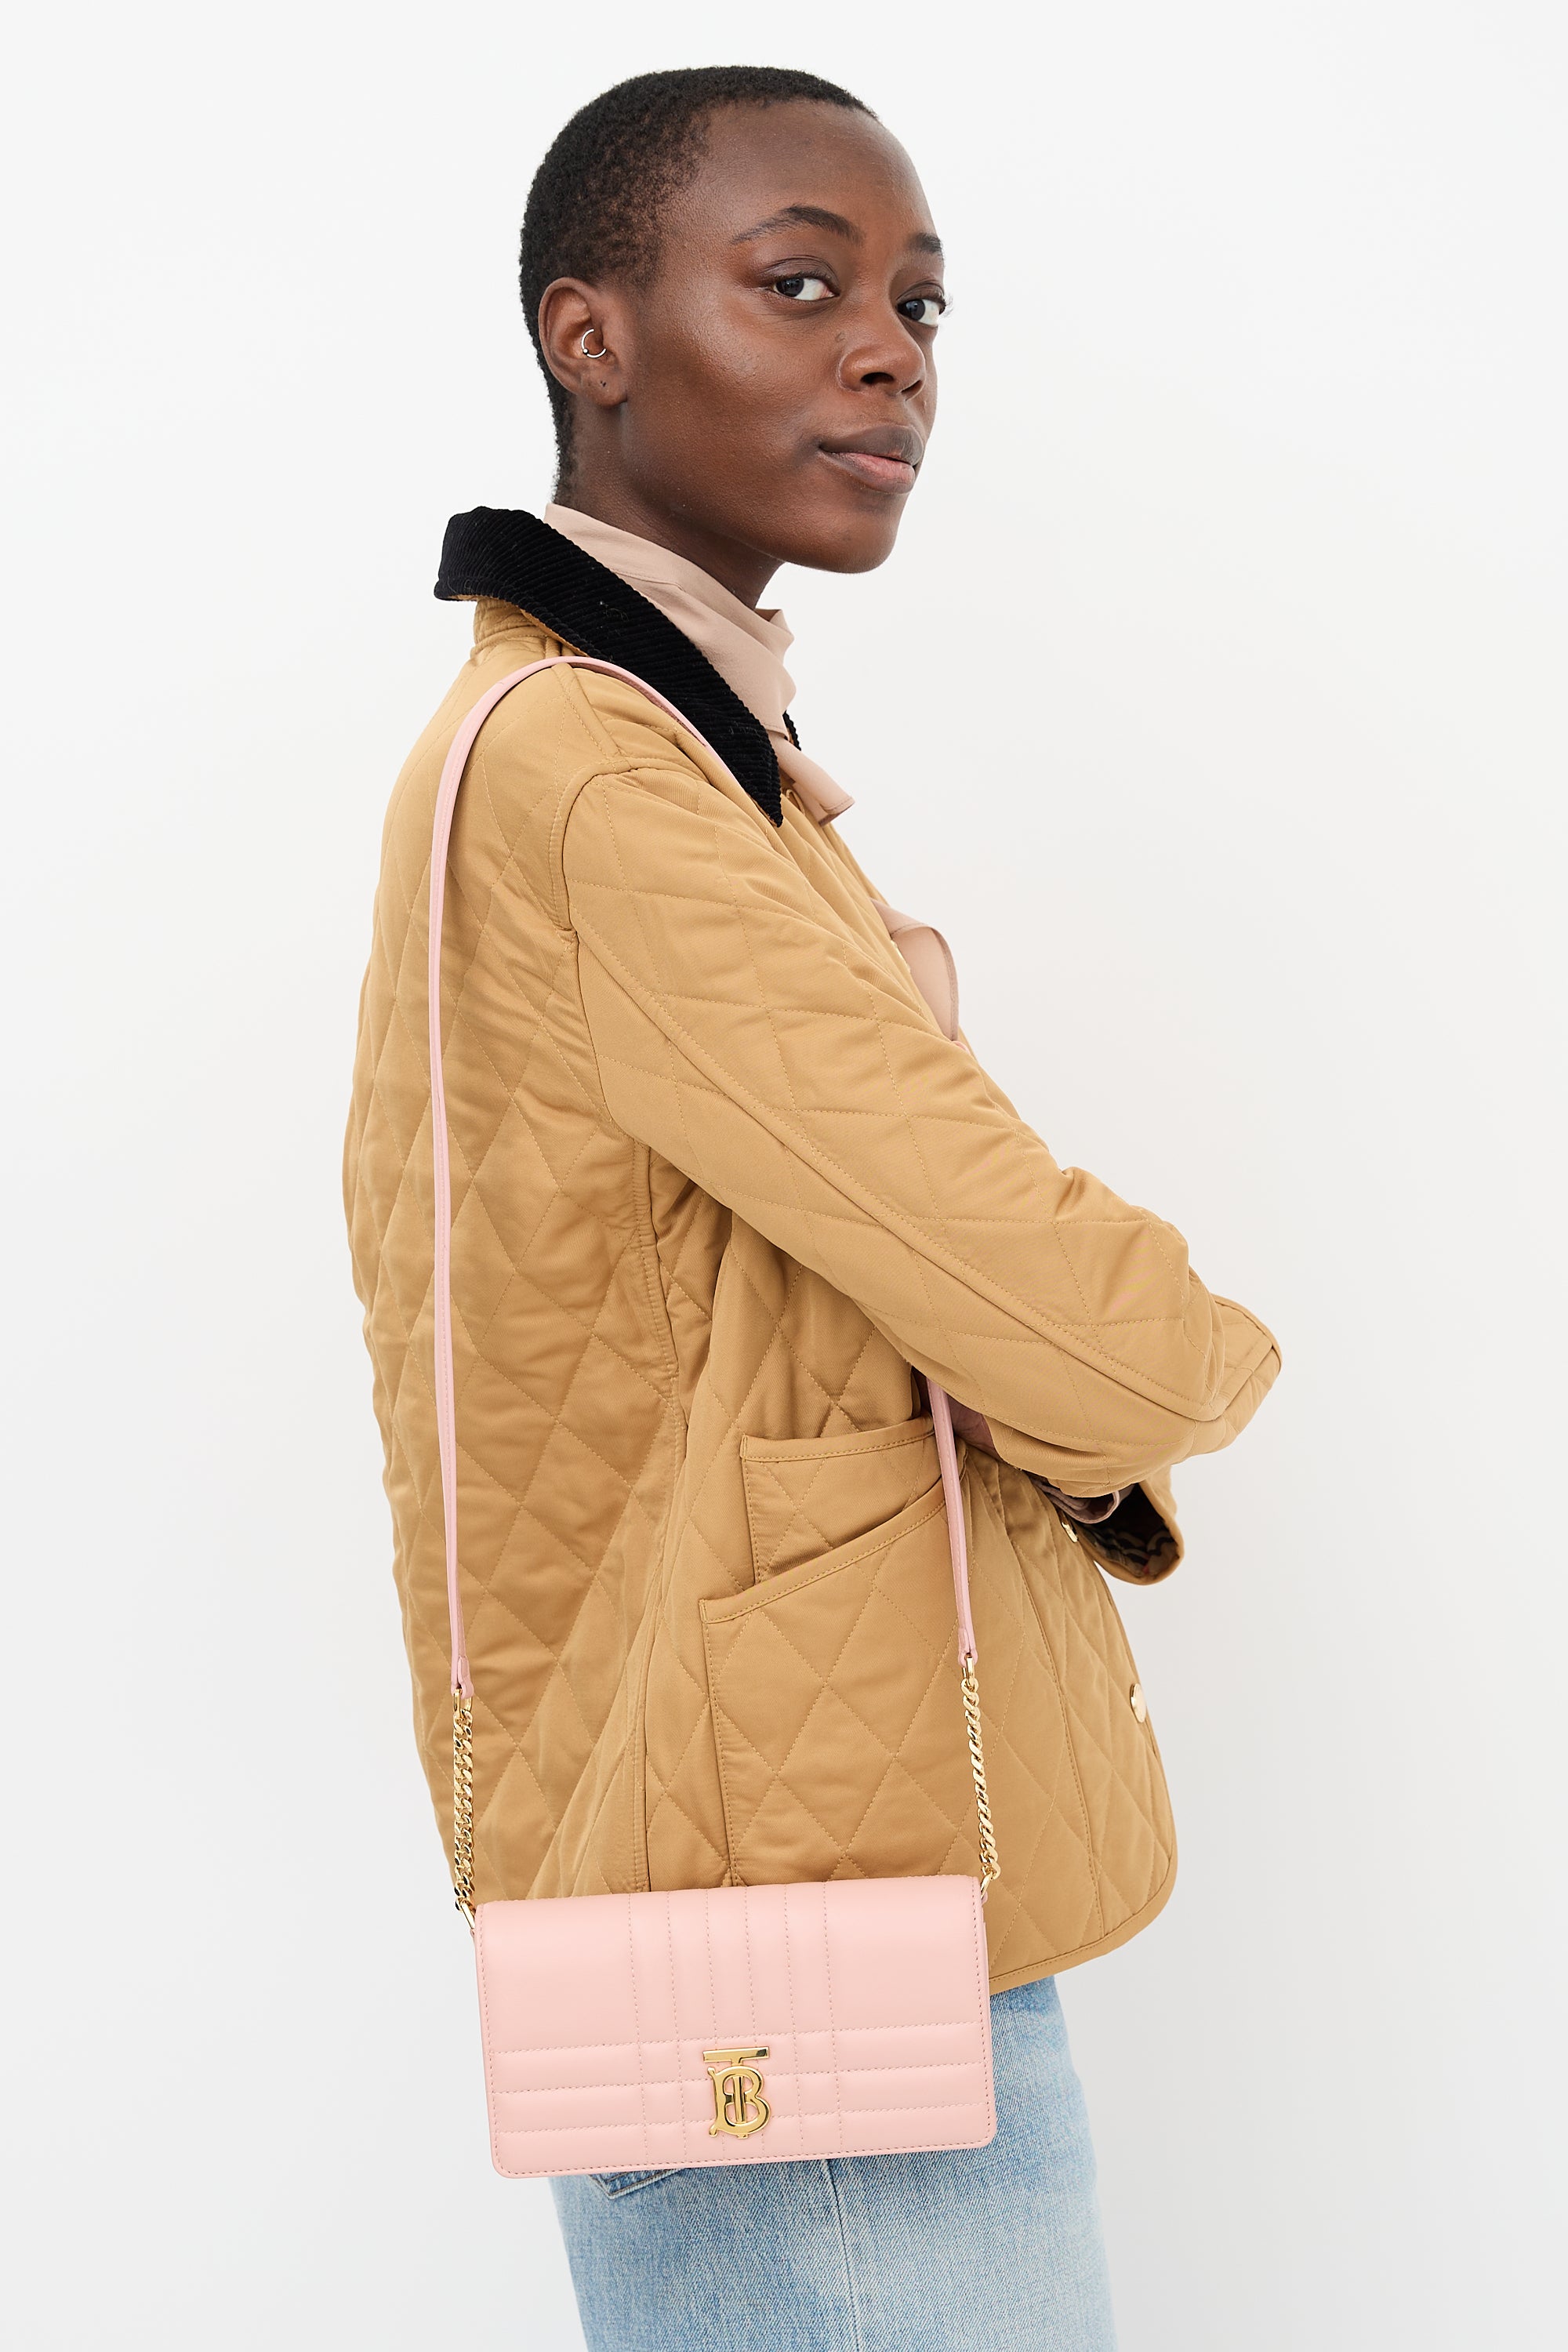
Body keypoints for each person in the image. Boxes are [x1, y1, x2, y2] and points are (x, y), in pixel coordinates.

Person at [343, 65, 1279, 2352]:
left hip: (798, 1841)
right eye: (801, 285)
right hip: (790, 1905)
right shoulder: (599, 772)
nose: (890, 355)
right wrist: (1200, 1365)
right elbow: (1003, 1264)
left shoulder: (664, 751)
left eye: (921, 307)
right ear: (588, 335)